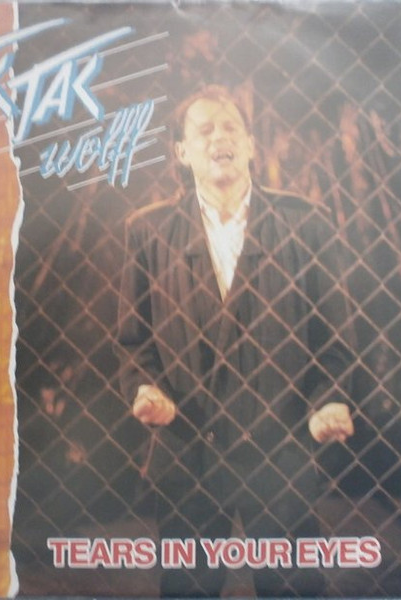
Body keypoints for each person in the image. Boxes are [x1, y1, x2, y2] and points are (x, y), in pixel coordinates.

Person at [115, 84, 355, 597]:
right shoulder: (148, 231)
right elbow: (134, 340)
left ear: (250, 145)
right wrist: (145, 388)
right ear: (182, 152)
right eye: (204, 130)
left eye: (230, 127)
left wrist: (329, 398)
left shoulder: (305, 224)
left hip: (281, 448)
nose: (219, 137)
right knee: (188, 588)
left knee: (293, 587)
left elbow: (335, 338)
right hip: (189, 449)